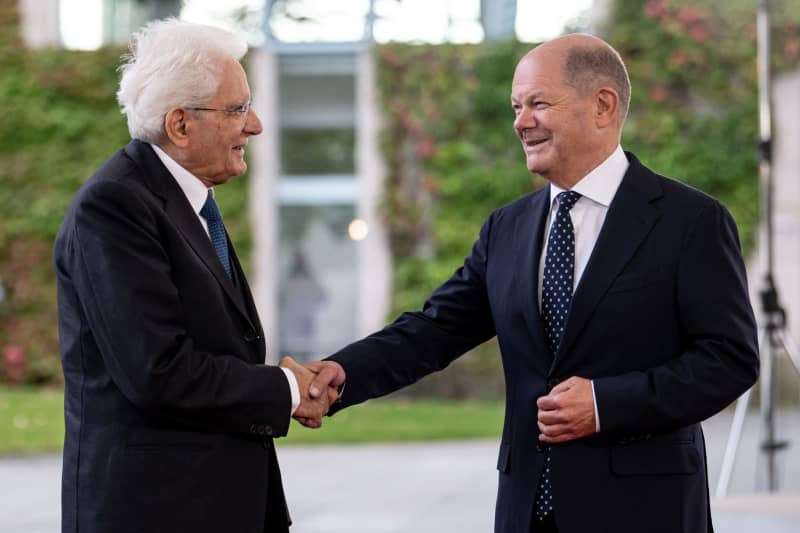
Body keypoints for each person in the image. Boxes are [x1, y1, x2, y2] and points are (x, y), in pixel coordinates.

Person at [300, 34, 759, 533]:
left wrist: (606, 404)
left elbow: (728, 359)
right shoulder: (507, 227)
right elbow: (435, 329)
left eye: (538, 103)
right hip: (526, 510)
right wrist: (341, 373)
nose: (520, 122)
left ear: (603, 105)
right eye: (517, 107)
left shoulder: (690, 221)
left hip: (644, 509)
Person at [53, 19, 338, 533]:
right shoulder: (116, 205)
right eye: (237, 109)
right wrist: (285, 388)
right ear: (181, 124)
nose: (255, 125)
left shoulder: (182, 200)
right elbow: (157, 371)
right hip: (157, 511)